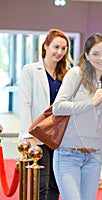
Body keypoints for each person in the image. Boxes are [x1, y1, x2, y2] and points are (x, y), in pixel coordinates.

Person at [52, 33, 102, 200]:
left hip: (94, 156)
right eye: (95, 53)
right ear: (87, 55)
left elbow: (101, 127)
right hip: (68, 154)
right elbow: (57, 108)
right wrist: (91, 102)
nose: (101, 58)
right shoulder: (75, 74)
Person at [19, 28, 73, 200]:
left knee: (56, 185)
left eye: (63, 48)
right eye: (56, 47)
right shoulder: (30, 70)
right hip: (39, 135)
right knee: (40, 186)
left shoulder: (67, 74)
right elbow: (25, 103)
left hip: (60, 137)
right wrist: (28, 136)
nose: (59, 52)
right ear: (46, 46)